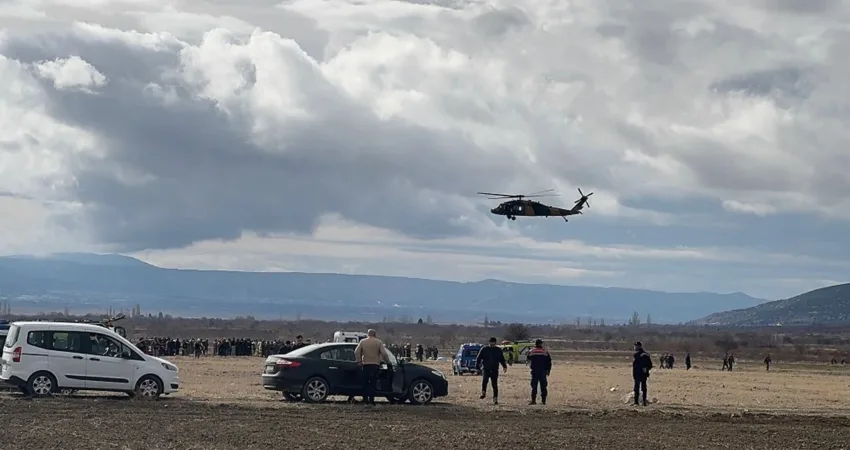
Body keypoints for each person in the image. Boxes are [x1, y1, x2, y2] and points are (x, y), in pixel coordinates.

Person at [354, 329, 390, 406]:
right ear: (375, 334)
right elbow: (384, 353)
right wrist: (388, 362)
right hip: (375, 365)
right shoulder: (379, 342)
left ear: (368, 334)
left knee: (365, 383)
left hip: (365, 364)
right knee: (373, 383)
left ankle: (365, 400)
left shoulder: (363, 342)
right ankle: (371, 400)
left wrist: (359, 361)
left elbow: (356, 351)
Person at [476, 337, 507, 404]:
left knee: (494, 384)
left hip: (495, 369)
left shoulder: (498, 350)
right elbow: (478, 358)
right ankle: (483, 392)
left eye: (493, 342)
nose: (492, 343)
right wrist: (477, 367)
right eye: (491, 342)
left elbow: (502, 359)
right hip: (486, 368)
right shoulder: (484, 349)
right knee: (485, 381)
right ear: (489, 342)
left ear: (495, 343)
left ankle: (495, 398)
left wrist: (504, 366)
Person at [527, 339, 552, 405]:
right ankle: (543, 401)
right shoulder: (545, 351)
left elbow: (528, 359)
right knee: (543, 386)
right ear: (541, 344)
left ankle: (533, 400)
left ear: (535, 344)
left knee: (534, 386)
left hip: (535, 371)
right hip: (543, 371)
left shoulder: (532, 351)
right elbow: (549, 362)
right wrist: (548, 370)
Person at [632, 341, 653, 407]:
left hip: (639, 373)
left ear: (638, 346)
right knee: (642, 388)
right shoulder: (645, 354)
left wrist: (644, 369)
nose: (634, 347)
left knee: (638, 388)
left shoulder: (639, 355)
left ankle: (637, 402)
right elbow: (650, 365)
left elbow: (649, 365)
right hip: (642, 374)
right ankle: (643, 402)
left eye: (635, 346)